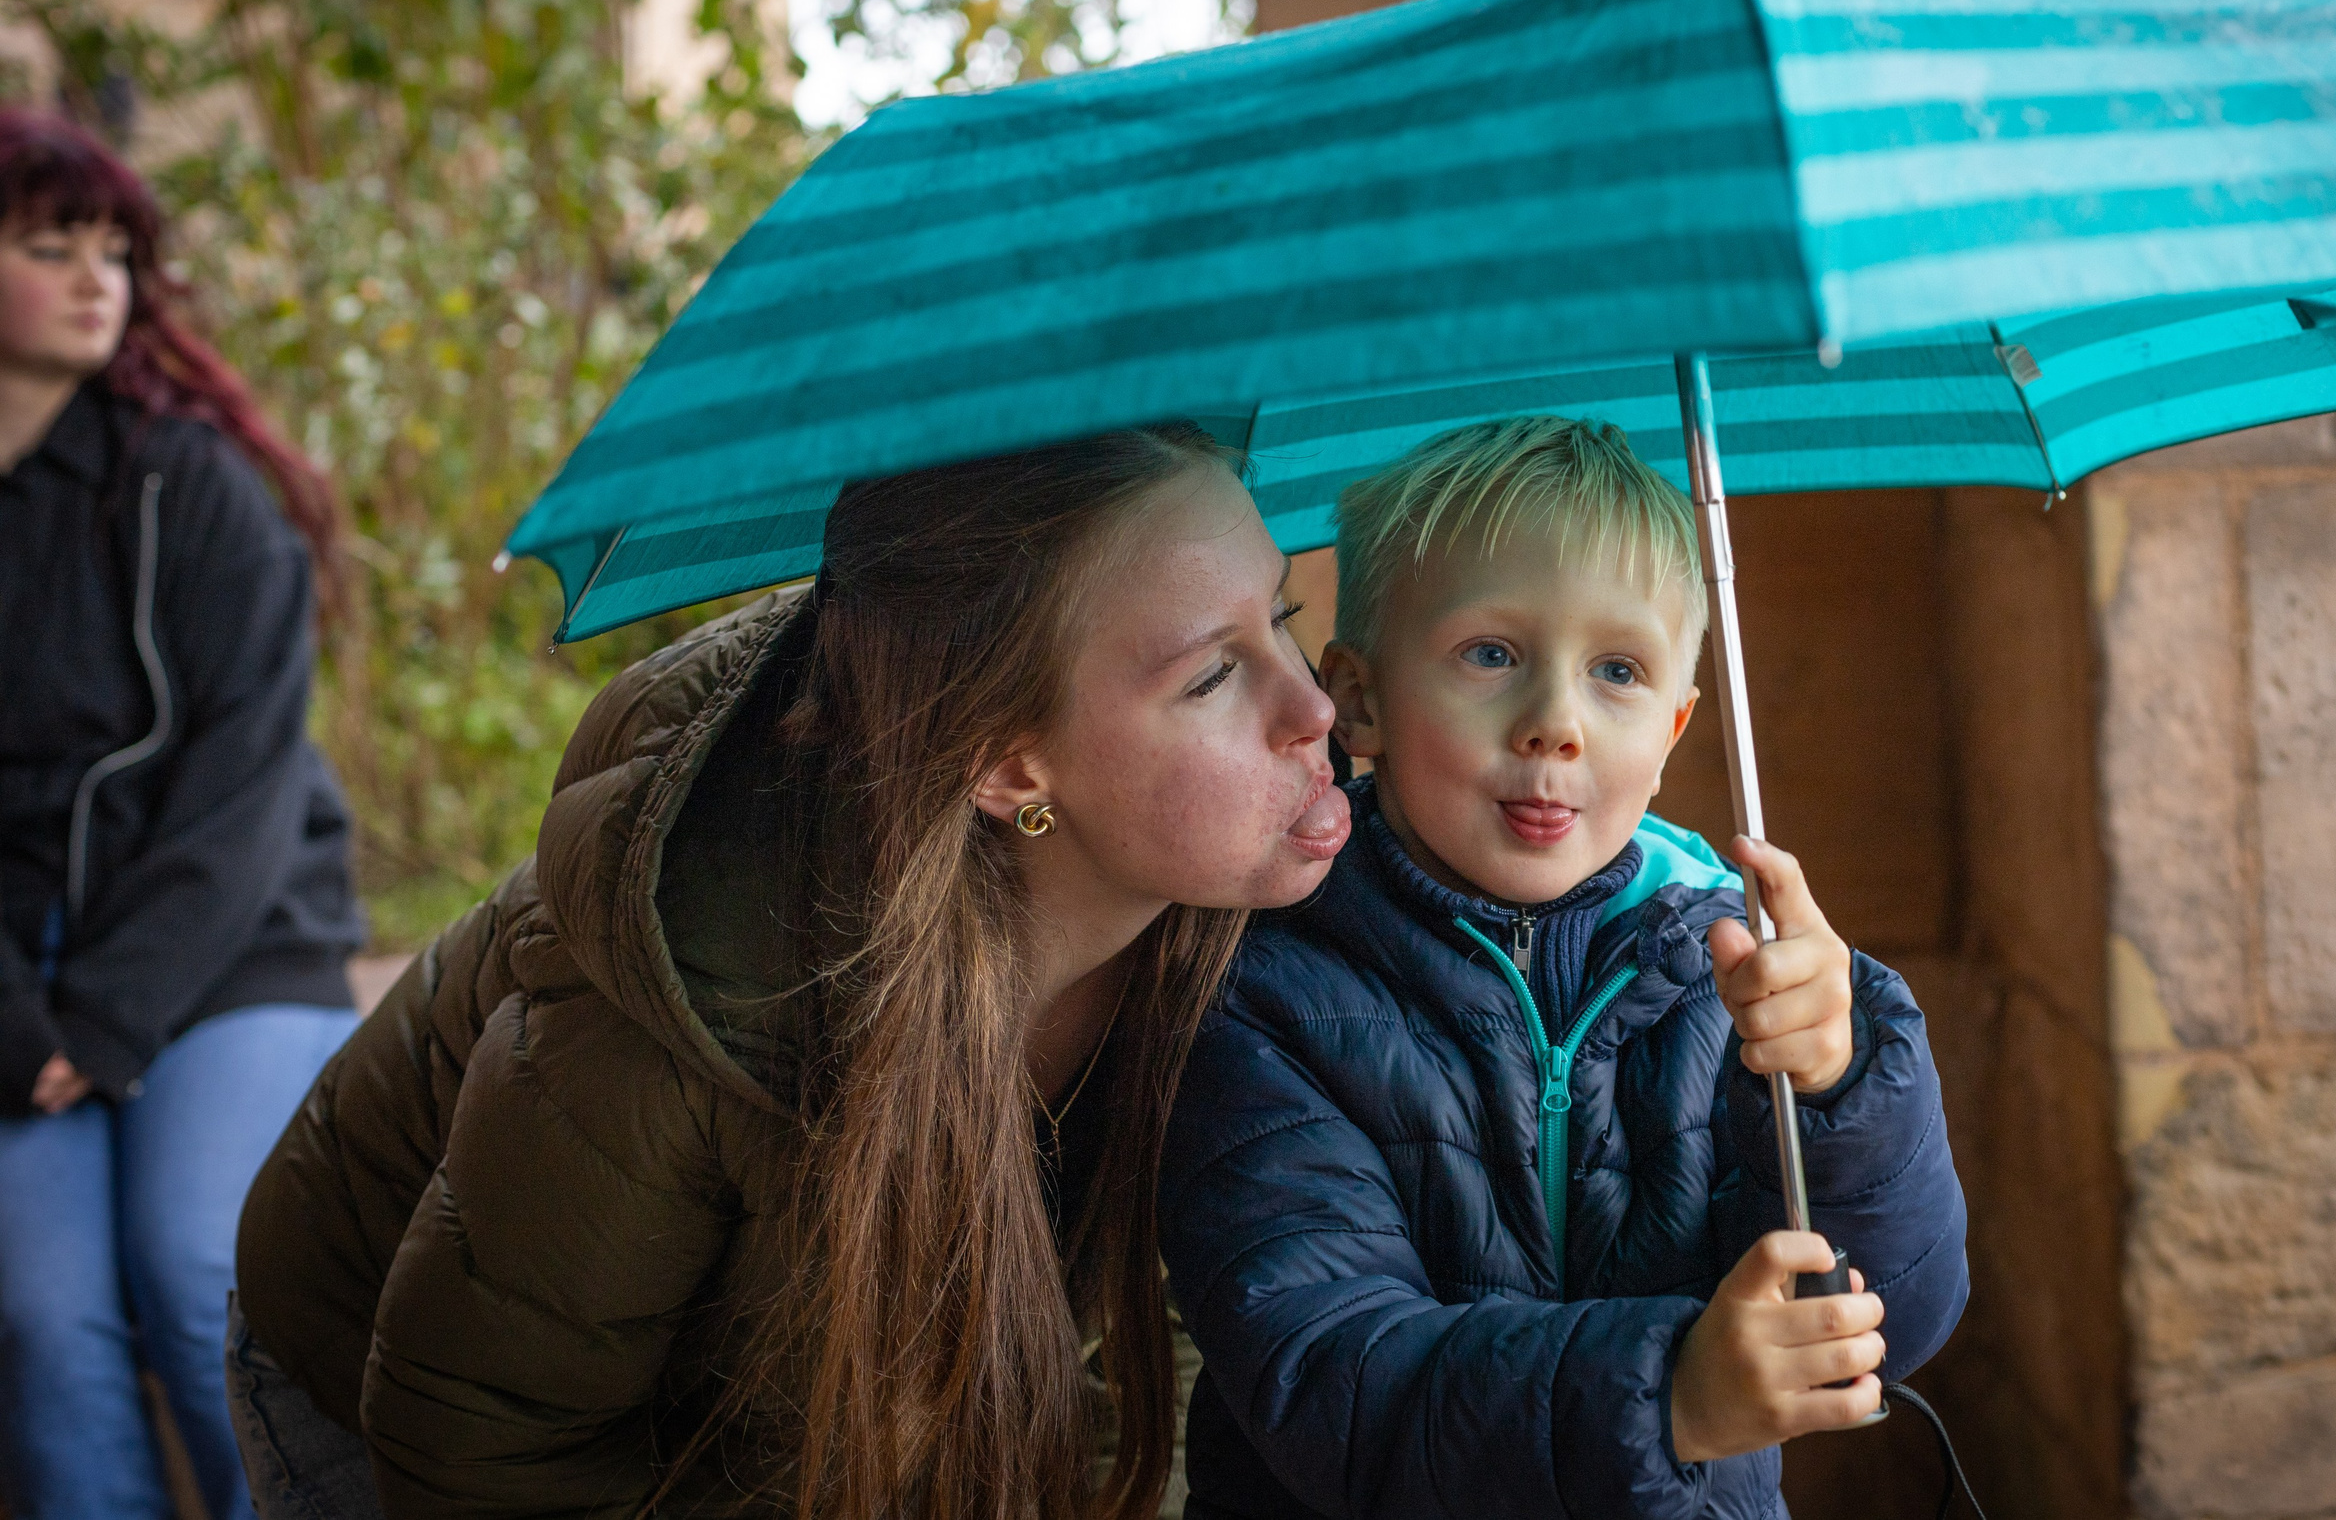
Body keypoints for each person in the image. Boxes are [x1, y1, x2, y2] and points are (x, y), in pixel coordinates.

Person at [229, 424, 1353, 1519]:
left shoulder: (1230, 916)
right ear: (1012, 767)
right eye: (1213, 676)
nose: (1313, 708)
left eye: (1283, 618)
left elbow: (1145, 1340)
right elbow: (483, 1448)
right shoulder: (715, 987)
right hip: (390, 1376)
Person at [1159, 416, 1970, 1519]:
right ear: (1358, 699)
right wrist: (1669, 1395)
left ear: (1674, 728)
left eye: (1617, 671)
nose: (1555, 724)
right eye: (1491, 654)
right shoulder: (1266, 992)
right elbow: (1331, 1381)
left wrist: (1841, 1088)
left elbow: (1890, 1323)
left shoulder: (1732, 973)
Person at [0, 108, 367, 1520]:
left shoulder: (190, 487)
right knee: (41, 1320)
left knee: (197, 1263)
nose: (97, 278)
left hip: (230, 949)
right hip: (24, 986)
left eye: (115, 251)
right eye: (53, 246)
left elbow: (247, 783)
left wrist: (107, 1016)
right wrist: (23, 1022)